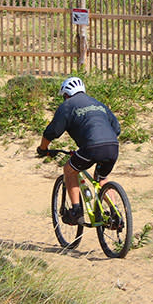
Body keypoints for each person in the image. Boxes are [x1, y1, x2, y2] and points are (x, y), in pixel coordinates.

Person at [37, 76, 121, 225]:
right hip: (113, 146)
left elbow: (52, 131)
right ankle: (115, 214)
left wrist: (43, 149)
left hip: (91, 147)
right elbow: (117, 128)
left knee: (69, 170)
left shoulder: (67, 105)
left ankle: (76, 210)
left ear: (66, 94)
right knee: (102, 178)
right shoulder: (98, 103)